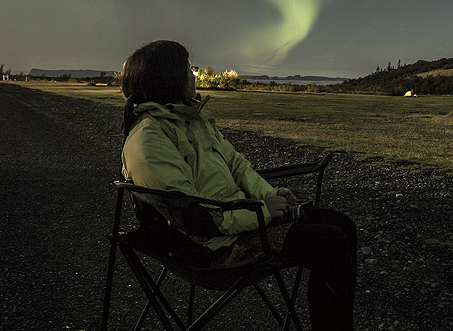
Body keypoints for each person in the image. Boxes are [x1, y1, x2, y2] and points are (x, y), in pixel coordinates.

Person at [120, 40, 356, 330]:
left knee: (342, 225)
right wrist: (263, 211)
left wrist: (272, 197)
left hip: (237, 219)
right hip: (210, 248)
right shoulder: (148, 140)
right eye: (187, 68)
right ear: (168, 78)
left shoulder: (193, 120)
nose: (193, 75)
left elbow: (237, 166)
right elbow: (195, 217)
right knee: (329, 244)